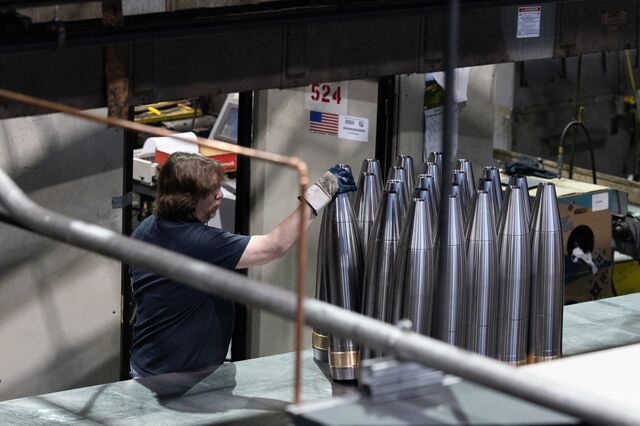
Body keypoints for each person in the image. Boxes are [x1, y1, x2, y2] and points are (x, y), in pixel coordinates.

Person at [129, 151, 355, 378]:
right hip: (177, 380)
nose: (219, 195)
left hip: (149, 366)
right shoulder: (199, 243)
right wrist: (319, 194)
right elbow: (273, 246)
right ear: (187, 199)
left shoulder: (147, 228)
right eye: (211, 191)